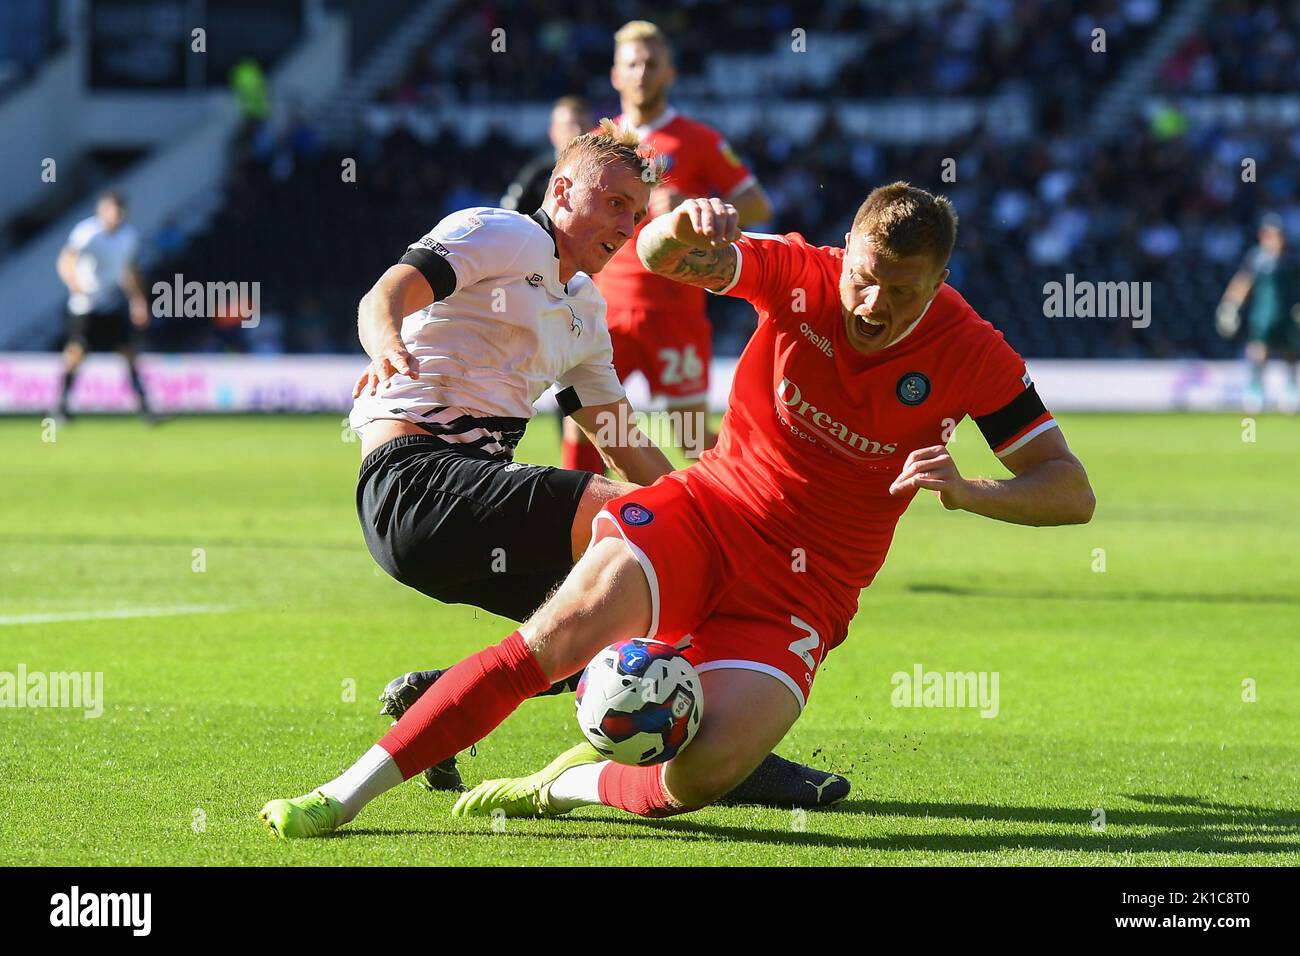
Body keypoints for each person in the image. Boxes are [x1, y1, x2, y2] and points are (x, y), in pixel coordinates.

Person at [257, 182, 1094, 837]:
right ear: (846, 255)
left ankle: (573, 783)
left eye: (902, 294)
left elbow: (1070, 489)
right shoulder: (801, 272)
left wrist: (969, 491)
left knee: (708, 773)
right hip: (711, 512)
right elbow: (662, 255)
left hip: (811, 592)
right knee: (546, 645)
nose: (873, 307)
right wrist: (681, 229)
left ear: (941, 282)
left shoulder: (976, 353)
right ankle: (341, 795)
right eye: (866, 281)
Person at [290, 120, 840, 824]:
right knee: (649, 542)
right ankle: (738, 756)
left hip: (458, 515)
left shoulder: (583, 313)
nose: (625, 224)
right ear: (561, 188)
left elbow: (621, 441)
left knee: (613, 625)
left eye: (637, 214)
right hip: (415, 480)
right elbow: (384, 295)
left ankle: (716, 751)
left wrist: (711, 506)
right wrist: (388, 341)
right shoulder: (504, 234)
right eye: (613, 202)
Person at [561, 20, 773, 472]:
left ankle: (746, 501)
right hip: (605, 311)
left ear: (670, 74)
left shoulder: (698, 139)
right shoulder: (598, 145)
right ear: (616, 75)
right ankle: (579, 536)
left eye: (652, 63)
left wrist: (697, 207)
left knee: (692, 439)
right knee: (585, 435)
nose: (642, 72)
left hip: (676, 310)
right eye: (632, 63)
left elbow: (757, 204)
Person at [55, 190, 154, 421]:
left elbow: (129, 271)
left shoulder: (128, 236)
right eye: (111, 209)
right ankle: (61, 406)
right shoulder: (88, 232)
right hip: (85, 305)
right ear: (101, 210)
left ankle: (144, 408)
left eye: (120, 210)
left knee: (128, 352)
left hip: (110, 304)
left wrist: (138, 300)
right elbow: (66, 260)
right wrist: (75, 285)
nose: (116, 214)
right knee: (77, 352)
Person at [1216, 213, 1300, 413]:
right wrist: (1229, 306)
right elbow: (1243, 283)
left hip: (1287, 313)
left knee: (1290, 351)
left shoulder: (1292, 259)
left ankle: (1291, 389)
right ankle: (1255, 388)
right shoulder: (1257, 258)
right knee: (1258, 351)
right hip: (1263, 313)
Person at [501, 96, 593, 215]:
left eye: (582, 125)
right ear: (553, 132)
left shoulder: (601, 173)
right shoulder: (537, 173)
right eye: (569, 127)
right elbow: (509, 214)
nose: (577, 133)